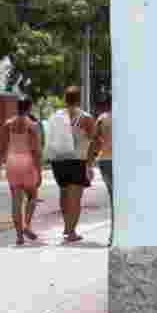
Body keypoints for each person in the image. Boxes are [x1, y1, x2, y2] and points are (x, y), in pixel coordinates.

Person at [47, 86, 96, 242]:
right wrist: (90, 164)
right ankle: (71, 231)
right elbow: (94, 141)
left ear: (65, 98)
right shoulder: (85, 118)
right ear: (79, 99)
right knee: (75, 199)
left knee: (64, 195)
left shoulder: (57, 116)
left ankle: (67, 226)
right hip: (77, 161)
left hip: (58, 161)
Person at [0, 97, 43, 245]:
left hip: (12, 161)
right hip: (27, 161)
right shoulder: (33, 125)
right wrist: (39, 171)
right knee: (33, 196)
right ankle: (26, 225)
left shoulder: (8, 124)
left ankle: (19, 236)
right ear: (29, 108)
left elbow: (2, 147)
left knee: (16, 200)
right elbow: (37, 151)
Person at [87, 96, 114, 247]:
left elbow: (94, 142)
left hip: (105, 161)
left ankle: (113, 235)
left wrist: (89, 164)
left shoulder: (102, 119)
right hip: (122, 162)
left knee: (113, 199)